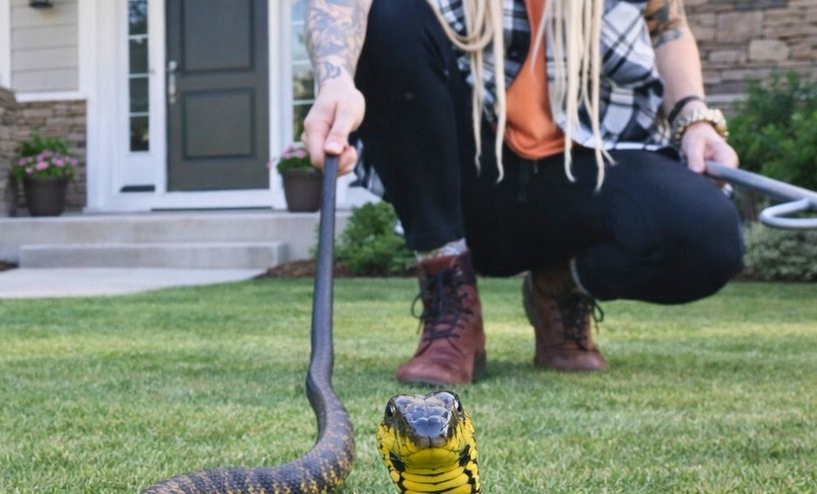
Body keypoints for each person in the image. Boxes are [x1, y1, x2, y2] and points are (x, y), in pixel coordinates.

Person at [301, 0, 745, 385]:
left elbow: (666, 24)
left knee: (709, 236)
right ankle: (449, 297)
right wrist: (335, 82)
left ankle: (559, 287)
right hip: (469, 169)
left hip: (589, 159)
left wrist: (695, 118)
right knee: (390, 11)